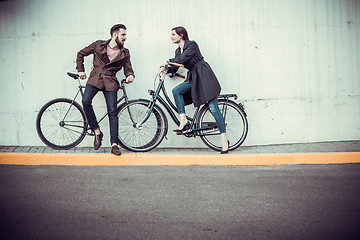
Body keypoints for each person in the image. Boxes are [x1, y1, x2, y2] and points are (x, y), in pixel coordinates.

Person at [158, 26, 229, 154]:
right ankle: (183, 119)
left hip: (204, 75)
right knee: (177, 91)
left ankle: (224, 140)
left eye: (173, 34)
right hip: (194, 78)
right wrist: (166, 69)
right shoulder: (177, 51)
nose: (171, 37)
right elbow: (175, 66)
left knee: (213, 108)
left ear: (181, 35)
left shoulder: (192, 45)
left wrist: (167, 62)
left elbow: (181, 60)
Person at [76, 24, 135, 155]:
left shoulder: (125, 52)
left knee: (112, 112)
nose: (125, 37)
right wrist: (81, 71)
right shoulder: (99, 45)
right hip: (95, 79)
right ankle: (97, 131)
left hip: (111, 82)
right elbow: (81, 54)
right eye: (123, 34)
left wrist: (130, 75)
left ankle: (114, 144)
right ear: (115, 35)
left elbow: (128, 67)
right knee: (86, 101)